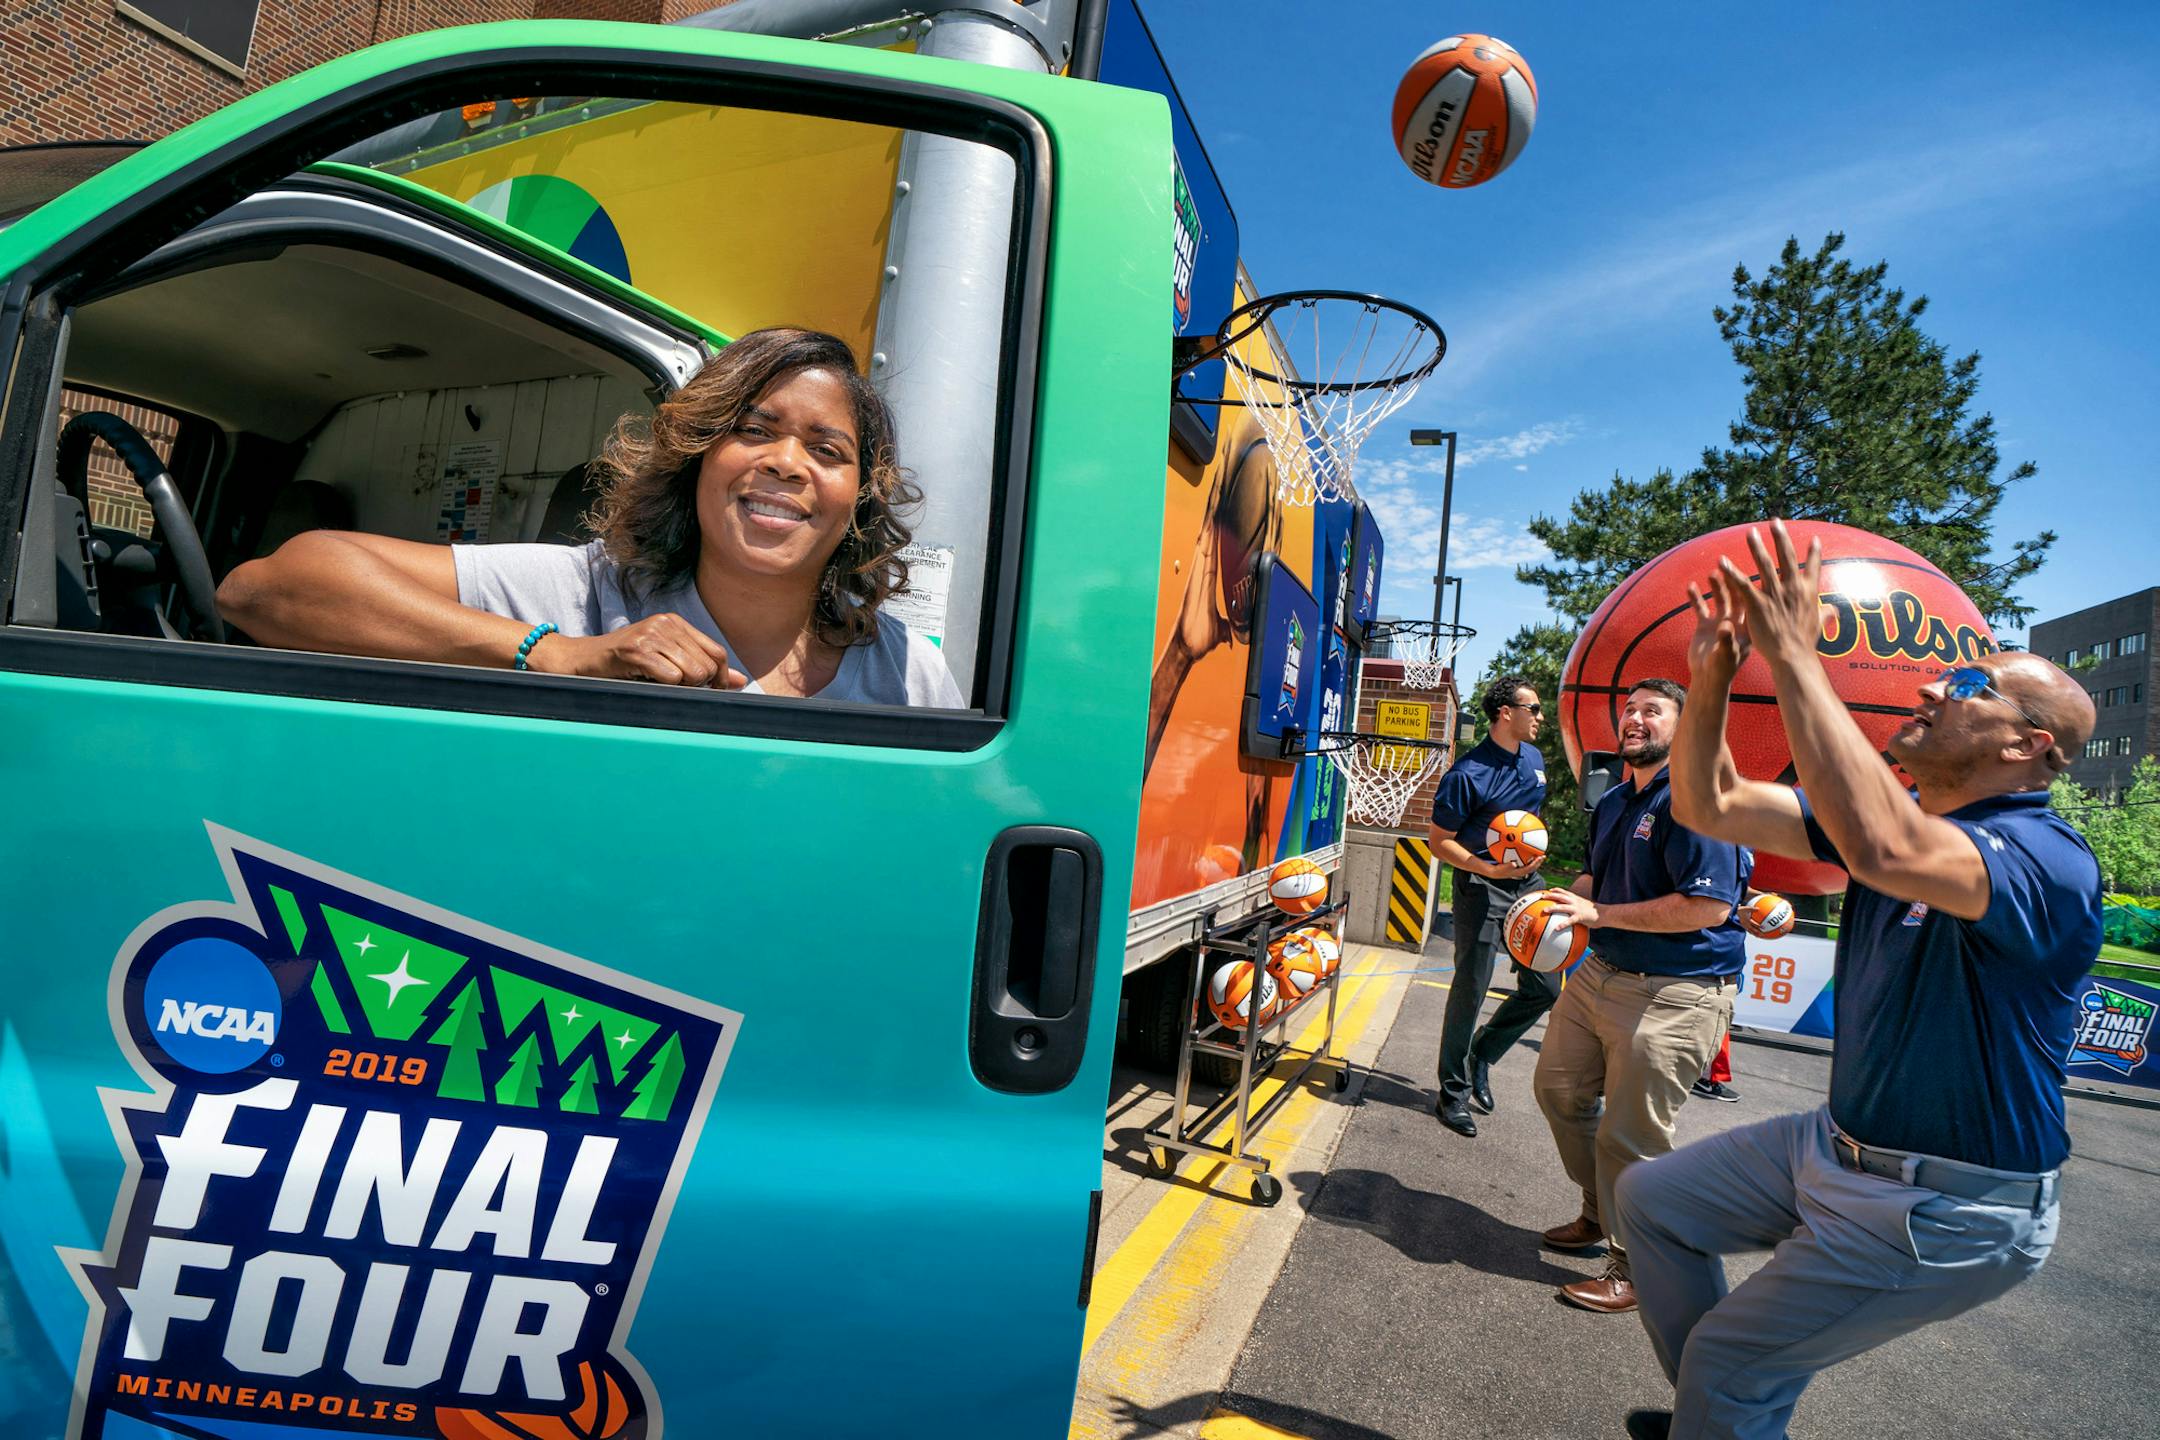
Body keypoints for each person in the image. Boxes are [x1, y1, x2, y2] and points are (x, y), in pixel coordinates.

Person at [1616, 521, 2101, 1440]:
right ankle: (1722, 1414)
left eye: (1968, 686)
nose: (1930, 683)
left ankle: (1725, 1404)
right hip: (1835, 1145)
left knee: (1731, 1362)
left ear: (2025, 747)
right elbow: (1706, 802)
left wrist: (1797, 651)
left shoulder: (2046, 859)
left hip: (1947, 1203)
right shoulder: (1898, 819)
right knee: (1651, 1202)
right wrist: (1715, 669)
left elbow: (1888, 845)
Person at [218, 327, 964, 707]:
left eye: (827, 449)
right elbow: (262, 590)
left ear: (858, 497)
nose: (788, 463)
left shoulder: (907, 675)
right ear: (698, 457)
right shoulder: (582, 595)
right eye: (755, 431)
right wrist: (560, 656)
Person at [1531, 678, 1749, 1315]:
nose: (1633, 718)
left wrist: (1596, 912)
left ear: (1684, 729)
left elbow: (1706, 905)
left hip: (1677, 990)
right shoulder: (1614, 800)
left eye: (1652, 711)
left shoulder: (1699, 800)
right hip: (1603, 972)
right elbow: (1595, 881)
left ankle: (1635, 1266)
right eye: (1628, 709)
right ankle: (1601, 1213)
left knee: (1633, 1138)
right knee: (1558, 1093)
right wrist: (1549, 912)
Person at [1428, 674, 1557, 1137]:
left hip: (1528, 883)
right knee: (1471, 988)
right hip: (1481, 887)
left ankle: (1482, 1053)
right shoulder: (1467, 774)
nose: (1541, 717)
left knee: (1545, 987)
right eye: (1534, 709)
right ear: (1507, 713)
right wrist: (1488, 869)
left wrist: (1533, 846)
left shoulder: (1536, 759)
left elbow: (1526, 819)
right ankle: (1452, 1093)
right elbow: (1439, 843)